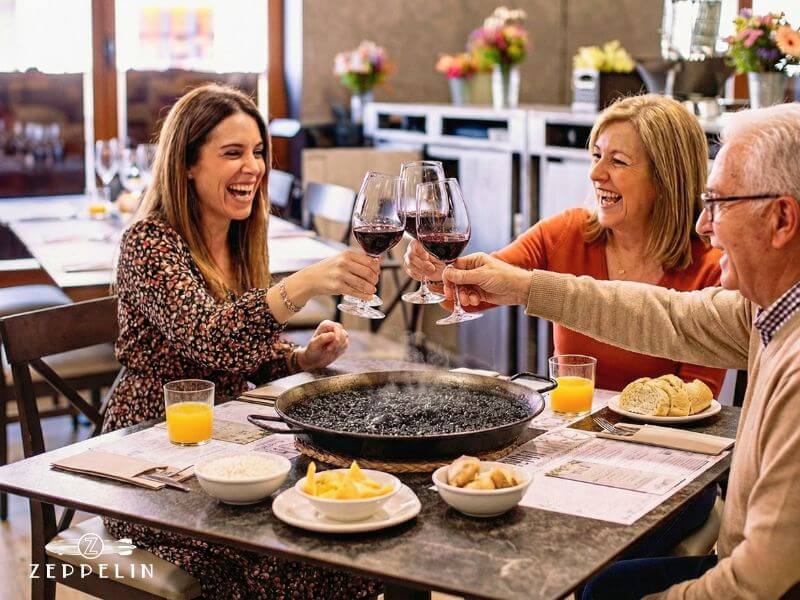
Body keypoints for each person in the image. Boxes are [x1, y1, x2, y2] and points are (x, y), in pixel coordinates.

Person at [440, 103, 800, 599]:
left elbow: (758, 587)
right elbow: (662, 314)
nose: (704, 226)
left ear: (782, 219)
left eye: (719, 203)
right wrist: (524, 288)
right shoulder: (766, 312)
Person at [104, 84, 381, 598]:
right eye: (232, 153)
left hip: (227, 448)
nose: (252, 166)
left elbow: (240, 350)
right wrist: (300, 285)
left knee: (344, 544)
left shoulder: (238, 238)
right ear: (186, 164)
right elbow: (209, 339)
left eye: (257, 152)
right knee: (290, 565)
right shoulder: (149, 241)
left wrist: (299, 357)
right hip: (150, 458)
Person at [404, 94, 725, 396]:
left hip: (656, 446)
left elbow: (694, 398)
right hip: (570, 426)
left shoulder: (713, 268)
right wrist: (437, 271)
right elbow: (471, 294)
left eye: (618, 161)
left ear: (665, 177)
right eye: (597, 156)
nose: (596, 173)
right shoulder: (567, 233)